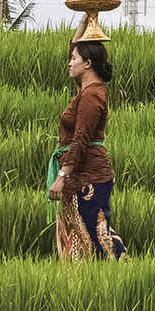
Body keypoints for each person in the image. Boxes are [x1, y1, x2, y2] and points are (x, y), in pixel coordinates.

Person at [49, 26, 126, 260]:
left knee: (97, 234)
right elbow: (75, 46)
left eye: (74, 59)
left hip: (91, 175)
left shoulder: (92, 96)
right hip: (81, 175)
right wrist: (88, 16)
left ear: (88, 64)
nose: (69, 62)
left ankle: (125, 271)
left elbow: (81, 139)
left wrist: (61, 177)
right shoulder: (86, 90)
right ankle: (91, 282)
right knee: (80, 236)